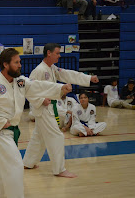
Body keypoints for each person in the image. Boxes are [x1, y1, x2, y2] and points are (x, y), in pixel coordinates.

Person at [0, 48, 73, 198]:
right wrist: (1, 122)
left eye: (19, 62)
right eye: (16, 62)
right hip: (0, 132)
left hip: (13, 131)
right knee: (15, 165)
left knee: (1, 169)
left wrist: (59, 88)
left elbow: (39, 86)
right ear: (5, 64)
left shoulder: (20, 82)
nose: (20, 65)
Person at [22, 43, 99, 178]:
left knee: (39, 137)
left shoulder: (52, 68)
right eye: (57, 53)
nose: (59, 55)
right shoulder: (39, 70)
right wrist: (40, 100)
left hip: (49, 107)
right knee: (56, 136)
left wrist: (88, 78)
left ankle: (28, 162)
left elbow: (68, 75)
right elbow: (29, 90)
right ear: (49, 53)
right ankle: (59, 169)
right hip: (43, 108)